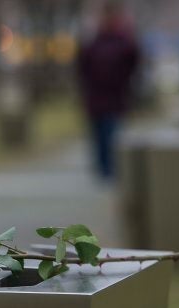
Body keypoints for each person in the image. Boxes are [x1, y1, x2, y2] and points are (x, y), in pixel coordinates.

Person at [77, 2, 140, 181]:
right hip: (97, 99)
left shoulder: (123, 41)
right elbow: (83, 67)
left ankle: (111, 174)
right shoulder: (94, 42)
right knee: (99, 139)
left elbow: (133, 61)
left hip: (114, 99)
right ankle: (103, 172)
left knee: (112, 137)